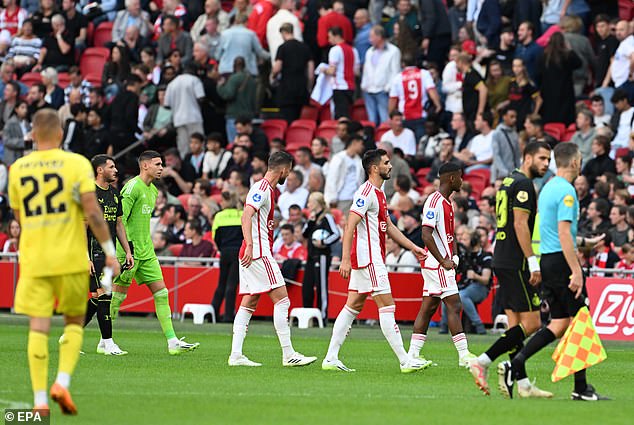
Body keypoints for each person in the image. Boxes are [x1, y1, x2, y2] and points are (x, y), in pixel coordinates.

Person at [9, 108, 120, 414]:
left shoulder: (18, 168)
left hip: (35, 259)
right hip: (70, 257)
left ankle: (39, 402)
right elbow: (92, 213)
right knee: (73, 322)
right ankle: (62, 382)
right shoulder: (75, 164)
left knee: (38, 327)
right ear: (60, 134)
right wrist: (110, 252)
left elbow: (18, 219)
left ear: (32, 134)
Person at [501, 142, 609, 401]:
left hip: (548, 260)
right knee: (582, 320)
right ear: (574, 162)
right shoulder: (567, 191)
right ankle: (581, 388)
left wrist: (584, 243)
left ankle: (518, 361)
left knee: (560, 323)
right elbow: (563, 233)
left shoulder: (547, 187)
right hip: (562, 262)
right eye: (580, 159)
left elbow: (554, 231)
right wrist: (577, 271)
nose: (581, 164)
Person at [322, 149, 428, 373]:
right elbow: (350, 225)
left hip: (369, 258)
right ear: (374, 168)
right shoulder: (365, 192)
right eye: (386, 163)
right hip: (369, 259)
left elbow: (388, 227)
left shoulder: (379, 193)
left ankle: (331, 357)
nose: (390, 166)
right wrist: (344, 259)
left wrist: (413, 246)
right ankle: (405, 360)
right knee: (387, 306)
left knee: (353, 306)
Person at [468, 141, 552, 396]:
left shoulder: (507, 181)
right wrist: (533, 260)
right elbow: (520, 224)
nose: (546, 164)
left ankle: (523, 383)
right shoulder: (525, 184)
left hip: (501, 257)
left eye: (548, 160)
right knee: (533, 322)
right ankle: (482, 361)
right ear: (527, 157)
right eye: (541, 158)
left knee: (515, 322)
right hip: (516, 260)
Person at [228, 151, 317, 367]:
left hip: (252, 251)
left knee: (249, 302)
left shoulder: (267, 189)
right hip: (258, 251)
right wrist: (250, 244)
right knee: (283, 300)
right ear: (284, 170)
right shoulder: (262, 188)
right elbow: (246, 215)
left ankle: (236, 355)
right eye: (290, 171)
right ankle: (288, 354)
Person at [110, 150, 199, 355]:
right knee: (116, 297)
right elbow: (118, 220)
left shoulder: (153, 191)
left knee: (162, 293)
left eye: (162, 165)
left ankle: (172, 341)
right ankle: (105, 340)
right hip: (128, 251)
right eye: (158, 164)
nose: (161, 168)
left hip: (147, 251)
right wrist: (126, 250)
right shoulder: (131, 188)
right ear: (145, 165)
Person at [408, 162, 475, 368]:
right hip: (437, 265)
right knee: (454, 305)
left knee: (428, 308)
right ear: (452, 178)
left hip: (440, 264)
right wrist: (443, 260)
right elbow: (426, 235)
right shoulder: (434, 201)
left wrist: (454, 255)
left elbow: (449, 234)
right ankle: (464, 356)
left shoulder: (448, 202)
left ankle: (413, 354)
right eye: (460, 177)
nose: (462, 181)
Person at [81, 155, 132, 356]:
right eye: (111, 167)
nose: (116, 170)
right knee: (105, 295)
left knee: (97, 298)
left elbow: (118, 224)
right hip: (92, 252)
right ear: (100, 170)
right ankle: (108, 342)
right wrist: (85, 258)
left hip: (108, 253)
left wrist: (127, 250)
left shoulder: (114, 194)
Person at [302, 192, 340, 322]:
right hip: (311, 255)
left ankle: (322, 315)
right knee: (307, 285)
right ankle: (307, 315)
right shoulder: (312, 218)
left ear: (316, 203)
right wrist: (310, 222)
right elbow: (305, 234)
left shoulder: (327, 217)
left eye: (310, 202)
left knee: (321, 286)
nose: (308, 205)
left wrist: (324, 242)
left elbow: (336, 233)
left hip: (322, 256)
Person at [388, 53, 442, 143]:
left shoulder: (398, 78)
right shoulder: (424, 74)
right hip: (421, 115)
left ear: (403, 64)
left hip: (405, 116)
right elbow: (431, 90)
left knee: (407, 142)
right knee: (420, 142)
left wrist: (390, 115)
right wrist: (438, 104)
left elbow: (393, 98)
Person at [211, 191, 243, 322]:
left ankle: (213, 312)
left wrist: (221, 248)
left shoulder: (219, 216)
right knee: (232, 284)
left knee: (221, 284)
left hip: (224, 252)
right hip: (238, 252)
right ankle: (229, 315)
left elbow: (215, 236)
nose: (221, 203)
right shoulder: (242, 215)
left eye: (222, 201)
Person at [360, 25, 401, 126]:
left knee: (385, 119)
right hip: (369, 90)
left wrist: (388, 87)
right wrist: (364, 84)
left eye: (372, 37)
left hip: (383, 91)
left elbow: (395, 71)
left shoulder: (393, 51)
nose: (369, 40)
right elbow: (366, 69)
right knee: (371, 120)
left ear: (379, 37)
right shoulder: (369, 51)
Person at [323, 135, 365, 214]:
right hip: (341, 198)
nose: (362, 147)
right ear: (354, 143)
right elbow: (332, 178)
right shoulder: (338, 158)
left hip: (355, 199)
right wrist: (332, 197)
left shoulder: (359, 160)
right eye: (361, 144)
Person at [325, 26, 360, 119]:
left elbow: (332, 70)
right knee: (347, 113)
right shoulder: (353, 50)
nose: (329, 40)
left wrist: (323, 70)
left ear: (336, 36)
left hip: (339, 86)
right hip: (351, 87)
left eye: (330, 37)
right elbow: (356, 71)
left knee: (340, 115)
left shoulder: (335, 50)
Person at [491, 107, 520, 182]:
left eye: (515, 117)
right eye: (511, 117)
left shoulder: (514, 133)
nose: (514, 119)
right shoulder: (497, 133)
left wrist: (518, 170)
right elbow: (496, 155)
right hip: (501, 174)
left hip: (513, 172)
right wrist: (504, 171)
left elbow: (517, 154)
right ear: (504, 117)